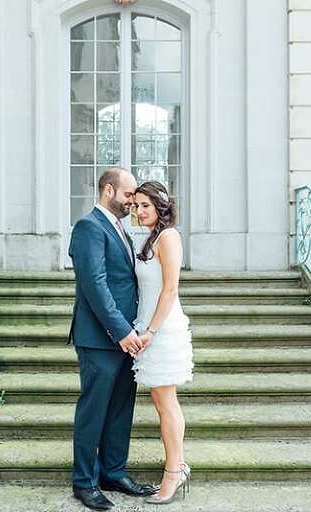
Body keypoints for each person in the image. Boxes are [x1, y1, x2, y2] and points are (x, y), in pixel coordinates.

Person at [68, 167, 157, 510]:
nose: (132, 201)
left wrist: (132, 330)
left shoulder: (120, 228)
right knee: (94, 410)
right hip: (100, 337)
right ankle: (85, 482)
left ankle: (113, 472)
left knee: (121, 409)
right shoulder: (89, 227)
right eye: (128, 194)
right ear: (108, 190)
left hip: (127, 336)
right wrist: (121, 330)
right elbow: (95, 284)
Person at [131, 180, 194, 505]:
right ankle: (177, 465)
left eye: (145, 205)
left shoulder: (169, 237)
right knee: (160, 402)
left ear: (160, 206)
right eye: (136, 205)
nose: (139, 211)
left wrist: (151, 332)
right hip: (148, 326)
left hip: (162, 329)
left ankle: (174, 470)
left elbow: (170, 290)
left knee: (166, 402)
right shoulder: (152, 237)